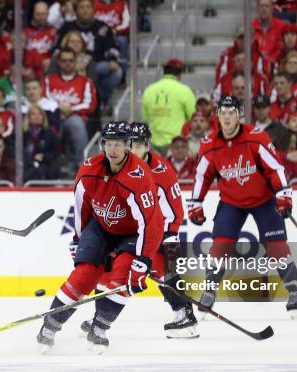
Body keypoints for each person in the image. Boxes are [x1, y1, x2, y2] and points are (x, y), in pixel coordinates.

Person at [36, 121, 163, 353]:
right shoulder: (88, 169)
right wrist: (77, 239)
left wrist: (143, 261)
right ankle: (50, 324)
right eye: (109, 144)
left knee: (123, 279)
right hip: (101, 227)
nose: (113, 149)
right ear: (103, 145)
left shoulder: (139, 176)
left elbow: (151, 223)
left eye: (118, 144)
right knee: (84, 275)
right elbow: (81, 207)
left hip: (132, 233)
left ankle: (100, 328)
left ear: (128, 145)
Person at [188, 96, 297, 318]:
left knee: (276, 246)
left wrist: (283, 194)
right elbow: (202, 176)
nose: (226, 117)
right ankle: (209, 292)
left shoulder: (255, 137)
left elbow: (275, 168)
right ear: (217, 116)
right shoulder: (209, 144)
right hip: (232, 202)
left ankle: (294, 291)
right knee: (220, 245)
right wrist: (195, 202)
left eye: (231, 112)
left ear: (239, 115)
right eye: (222, 112)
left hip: (264, 200)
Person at [79, 121, 195, 339]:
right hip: (133, 230)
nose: (133, 150)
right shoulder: (122, 167)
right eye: (130, 145)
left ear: (148, 146)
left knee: (159, 269)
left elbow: (175, 209)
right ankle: (100, 316)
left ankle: (184, 313)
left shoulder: (161, 172)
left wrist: (167, 238)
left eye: (139, 145)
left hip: (160, 230)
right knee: (111, 266)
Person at [44, 47, 98, 172]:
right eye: (64, 60)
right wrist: (58, 109)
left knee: (76, 124)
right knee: (52, 125)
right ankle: (54, 165)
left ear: (75, 62)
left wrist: (71, 109)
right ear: (58, 62)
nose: (67, 63)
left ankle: (81, 165)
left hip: (76, 117)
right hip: (53, 117)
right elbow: (44, 100)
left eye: (70, 60)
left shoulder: (86, 82)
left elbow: (90, 105)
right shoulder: (48, 80)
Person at [141, 58, 196, 155]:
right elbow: (193, 116)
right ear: (179, 75)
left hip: (154, 142)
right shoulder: (185, 91)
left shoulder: (149, 90)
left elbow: (145, 118)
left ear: (164, 72)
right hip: (176, 144)